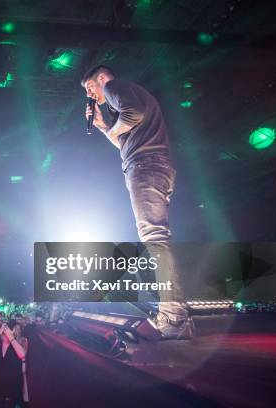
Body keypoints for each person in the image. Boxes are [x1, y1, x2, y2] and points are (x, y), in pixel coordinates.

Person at [82, 65, 193, 339]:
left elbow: (134, 114)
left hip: (146, 167)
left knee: (155, 238)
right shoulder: (127, 95)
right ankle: (177, 315)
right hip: (151, 165)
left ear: (102, 78)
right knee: (157, 239)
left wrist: (114, 123)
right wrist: (103, 127)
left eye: (90, 88)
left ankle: (175, 319)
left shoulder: (114, 87)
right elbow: (126, 143)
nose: (91, 94)